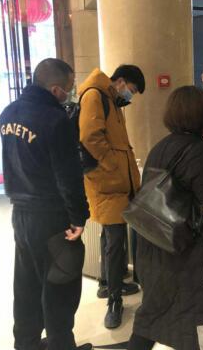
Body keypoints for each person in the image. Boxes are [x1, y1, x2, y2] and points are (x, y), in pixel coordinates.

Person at [128, 86, 203, 350]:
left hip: (152, 246)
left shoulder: (160, 147)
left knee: (152, 314)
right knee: (192, 322)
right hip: (184, 255)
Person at [0, 58, 91, 350]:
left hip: (21, 214)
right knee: (60, 286)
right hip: (52, 216)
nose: (70, 93)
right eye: (68, 87)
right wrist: (79, 217)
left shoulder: (8, 113)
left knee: (26, 284)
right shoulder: (55, 120)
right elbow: (68, 175)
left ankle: (26, 343)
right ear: (54, 89)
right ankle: (61, 345)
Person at [78, 65, 144, 329]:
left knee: (110, 236)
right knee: (115, 242)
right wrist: (113, 167)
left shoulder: (110, 99)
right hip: (108, 182)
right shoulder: (95, 95)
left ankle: (107, 283)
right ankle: (114, 302)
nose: (131, 95)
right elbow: (90, 137)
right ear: (121, 81)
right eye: (132, 90)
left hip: (114, 182)